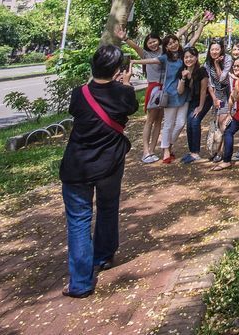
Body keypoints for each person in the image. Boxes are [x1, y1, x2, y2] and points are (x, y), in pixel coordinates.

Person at [60, 43, 137, 298]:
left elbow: (77, 111)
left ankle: (80, 282)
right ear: (118, 69)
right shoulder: (124, 93)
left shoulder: (79, 93)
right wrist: (124, 84)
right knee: (107, 207)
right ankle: (103, 256)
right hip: (110, 163)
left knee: (79, 220)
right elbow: (131, 108)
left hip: (78, 164)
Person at [134, 33, 164, 163]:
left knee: (159, 121)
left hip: (165, 89)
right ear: (146, 44)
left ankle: (152, 150)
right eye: (150, 42)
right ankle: (145, 151)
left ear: (159, 41)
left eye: (155, 41)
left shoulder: (165, 51)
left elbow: (177, 36)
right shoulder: (146, 54)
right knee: (150, 120)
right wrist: (125, 38)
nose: (153, 44)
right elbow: (136, 47)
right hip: (154, 89)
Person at [157, 34, 187, 163]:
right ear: (166, 47)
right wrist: (133, 61)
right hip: (169, 94)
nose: (173, 44)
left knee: (180, 123)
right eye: (169, 44)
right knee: (168, 124)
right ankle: (166, 150)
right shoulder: (165, 58)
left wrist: (203, 22)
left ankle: (169, 144)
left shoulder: (185, 54)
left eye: (174, 41)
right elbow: (149, 60)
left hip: (184, 94)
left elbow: (195, 37)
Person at [179, 45, 210, 163]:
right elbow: (180, 91)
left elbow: (203, 90)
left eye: (191, 57)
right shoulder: (183, 72)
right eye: (186, 57)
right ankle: (192, 151)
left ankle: (196, 153)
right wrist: (183, 78)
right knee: (189, 123)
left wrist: (201, 107)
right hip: (192, 100)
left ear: (196, 58)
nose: (188, 59)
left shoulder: (201, 71)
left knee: (195, 121)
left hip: (205, 100)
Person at [203, 39, 233, 160]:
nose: (214, 51)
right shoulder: (207, 63)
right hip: (217, 94)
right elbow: (210, 84)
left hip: (228, 93)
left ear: (221, 50)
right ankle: (218, 149)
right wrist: (214, 99)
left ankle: (222, 152)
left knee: (223, 122)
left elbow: (222, 78)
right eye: (212, 49)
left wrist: (216, 64)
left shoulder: (227, 59)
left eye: (217, 49)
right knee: (218, 122)